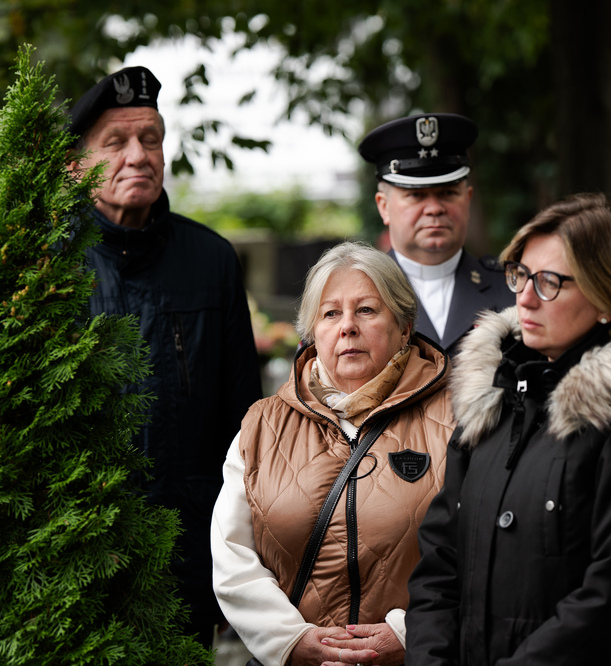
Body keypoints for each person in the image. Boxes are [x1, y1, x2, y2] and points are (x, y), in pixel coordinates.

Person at [405, 193, 611, 665]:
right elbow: (439, 562)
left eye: (550, 283)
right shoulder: (493, 398)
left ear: (610, 296)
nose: (524, 298)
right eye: (520, 275)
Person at [67, 66, 263, 648]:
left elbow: (247, 428)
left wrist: (241, 567)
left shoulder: (212, 261)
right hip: (74, 564)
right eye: (116, 142)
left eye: (150, 138)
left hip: (187, 560)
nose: (138, 155)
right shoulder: (47, 265)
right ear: (76, 165)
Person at [211, 241, 454, 666]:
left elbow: (480, 548)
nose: (347, 327)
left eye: (367, 310)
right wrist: (290, 641)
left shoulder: (459, 417)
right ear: (312, 332)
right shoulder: (263, 424)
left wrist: (410, 632)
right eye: (330, 314)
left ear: (404, 326)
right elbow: (231, 553)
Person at [358, 113, 513, 356]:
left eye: (448, 193)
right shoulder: (351, 299)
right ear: (384, 206)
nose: (434, 208)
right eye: (416, 195)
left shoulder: (515, 289)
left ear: (468, 200)